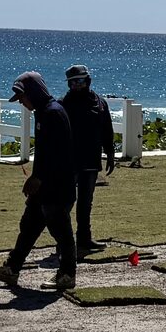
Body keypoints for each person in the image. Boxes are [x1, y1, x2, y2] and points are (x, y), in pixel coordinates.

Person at [0, 72, 78, 291]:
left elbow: (56, 155)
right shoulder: (44, 112)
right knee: (29, 226)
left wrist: (38, 178)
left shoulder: (53, 113)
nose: (21, 102)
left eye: (22, 97)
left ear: (33, 93)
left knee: (61, 232)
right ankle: (12, 268)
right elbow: (44, 153)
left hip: (57, 186)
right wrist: (36, 178)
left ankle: (67, 275)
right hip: (46, 185)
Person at [60, 64, 116, 254]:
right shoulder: (63, 104)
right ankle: (64, 242)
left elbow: (107, 130)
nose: (76, 85)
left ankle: (84, 240)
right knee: (65, 203)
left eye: (80, 81)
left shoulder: (100, 103)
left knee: (86, 203)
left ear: (88, 81)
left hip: (91, 160)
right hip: (69, 161)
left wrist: (110, 153)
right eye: (73, 82)